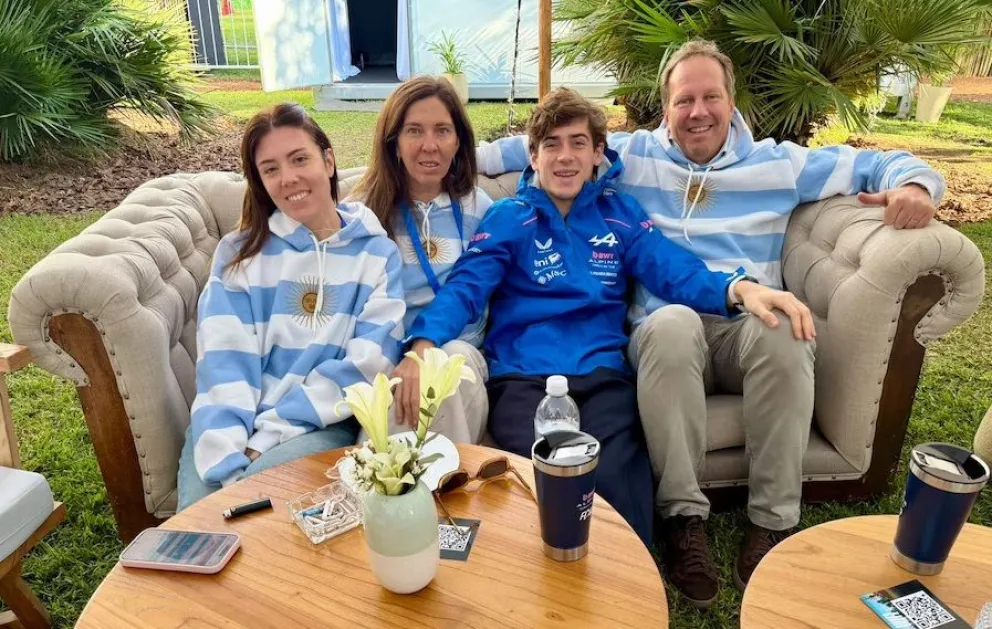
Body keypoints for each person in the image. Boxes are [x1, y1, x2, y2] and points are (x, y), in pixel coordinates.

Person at [476, 40, 945, 608]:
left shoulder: (782, 162)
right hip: (668, 329)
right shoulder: (634, 154)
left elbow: (879, 162)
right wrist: (442, 162)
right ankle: (684, 519)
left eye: (710, 97)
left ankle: (772, 522)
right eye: (684, 100)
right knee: (672, 321)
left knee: (782, 326)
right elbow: (538, 145)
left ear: (732, 101)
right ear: (666, 108)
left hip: (743, 322)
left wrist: (918, 187)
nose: (697, 111)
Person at [406, 88, 803, 548]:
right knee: (537, 483)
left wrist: (738, 288)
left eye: (578, 143)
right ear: (533, 157)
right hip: (523, 377)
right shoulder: (509, 217)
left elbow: (672, 268)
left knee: (616, 484)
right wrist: (424, 343)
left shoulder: (620, 215)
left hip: (603, 374)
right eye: (551, 144)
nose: (565, 157)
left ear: (598, 153)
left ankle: (624, 588)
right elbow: (465, 287)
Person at [177, 103, 406, 509]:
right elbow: (223, 361)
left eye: (299, 159)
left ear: (329, 160)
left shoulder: (377, 255)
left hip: (315, 423)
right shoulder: (239, 254)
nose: (289, 178)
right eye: (271, 169)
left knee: (264, 520)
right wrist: (228, 457)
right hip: (227, 423)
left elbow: (367, 365)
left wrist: (266, 438)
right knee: (197, 533)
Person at [349, 76, 492, 444]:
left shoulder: (481, 209)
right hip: (386, 361)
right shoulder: (364, 212)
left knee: (450, 365)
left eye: (442, 130)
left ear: (458, 140)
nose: (430, 146)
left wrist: (423, 354)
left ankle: (441, 493)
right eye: (414, 131)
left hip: (461, 353)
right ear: (393, 142)